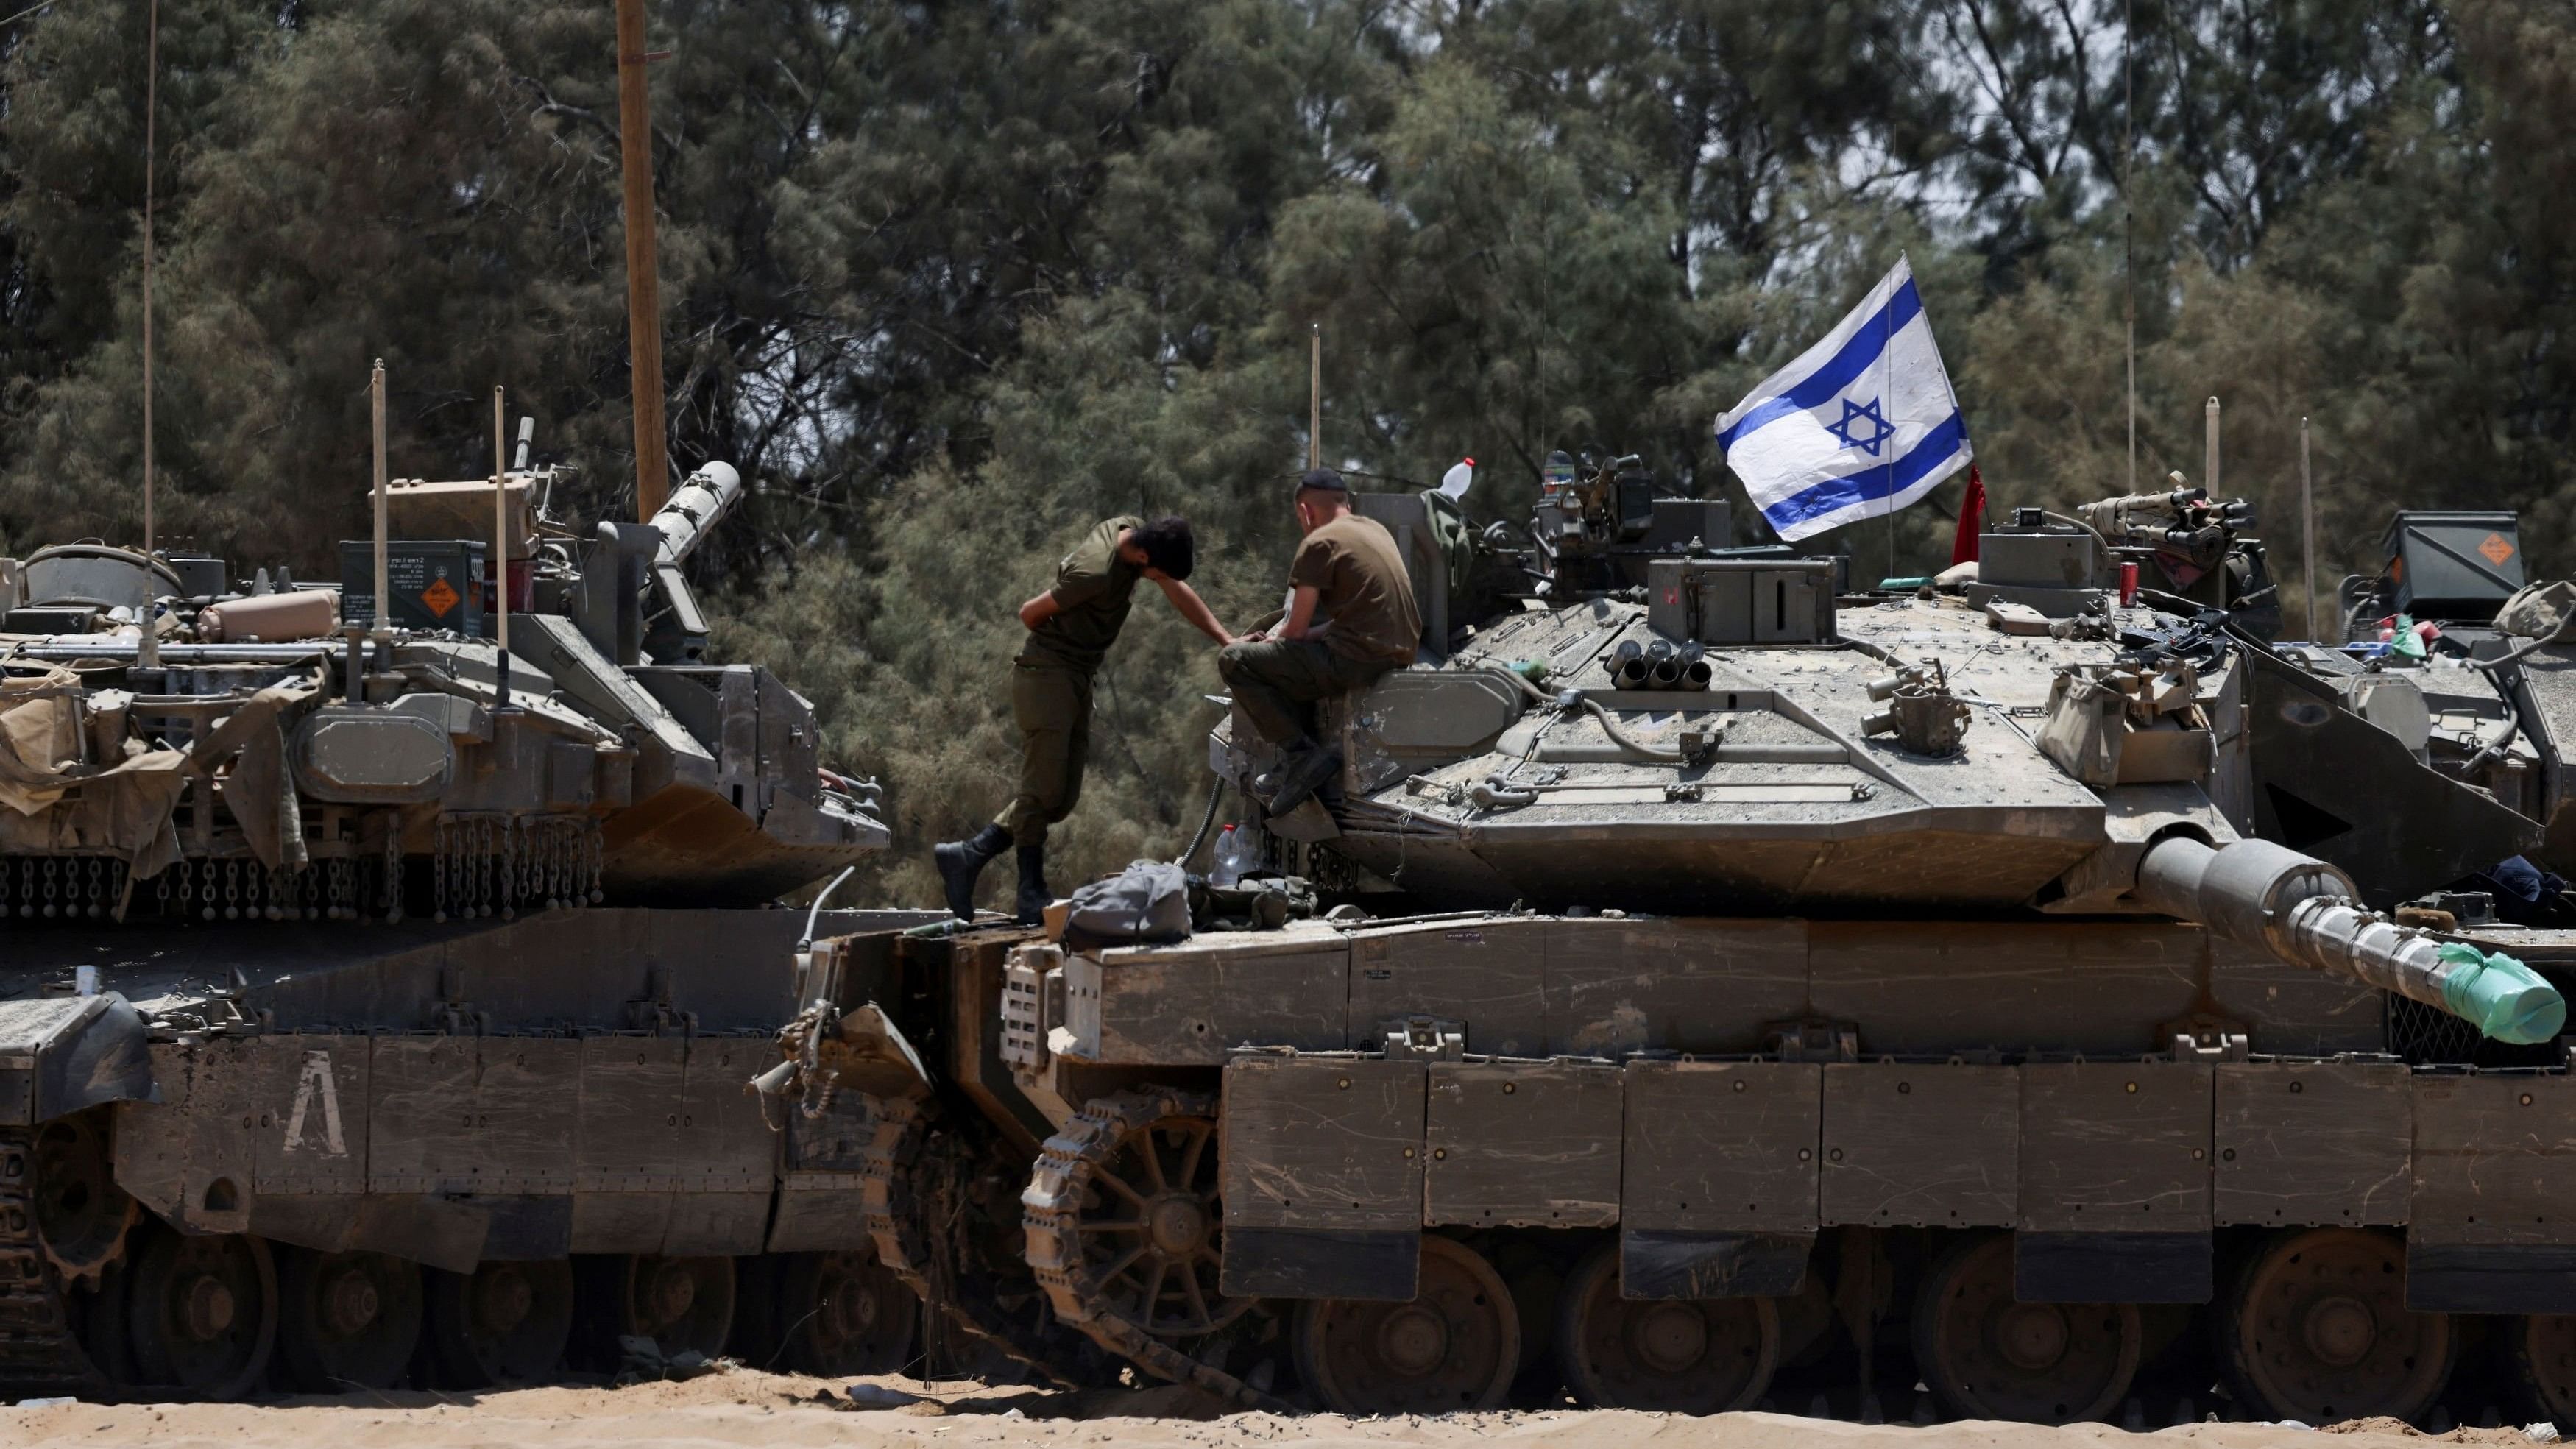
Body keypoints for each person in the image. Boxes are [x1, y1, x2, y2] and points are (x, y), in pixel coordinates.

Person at [936, 515, 1231, 923]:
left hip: (1074, 676)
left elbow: (1175, 587)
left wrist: (1226, 639)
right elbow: (1029, 614)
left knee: (1059, 797)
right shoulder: (1093, 572)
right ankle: (1029, 891)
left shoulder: (1133, 530)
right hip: (1047, 675)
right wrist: (1063, 647)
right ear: (1144, 555)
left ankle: (969, 856)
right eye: (1156, 575)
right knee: (1041, 790)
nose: (1156, 581)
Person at [1218, 469, 1421, 815]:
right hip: (1400, 652)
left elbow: (1293, 632)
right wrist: (1289, 641)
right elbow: (1344, 619)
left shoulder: (1318, 543)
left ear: (1306, 511)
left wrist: (1272, 642)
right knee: (1284, 659)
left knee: (1235, 660)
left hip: (1354, 660)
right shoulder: (1375, 531)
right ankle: (1297, 760)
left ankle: (1302, 756)